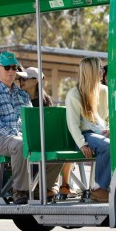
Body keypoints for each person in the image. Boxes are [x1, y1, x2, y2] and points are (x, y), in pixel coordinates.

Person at [0, 52, 62, 205]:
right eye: (7, 67)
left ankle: (40, 187)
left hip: (18, 138)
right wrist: (18, 135)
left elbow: (30, 120)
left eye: (14, 68)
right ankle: (20, 191)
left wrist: (30, 135)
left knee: (54, 144)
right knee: (20, 144)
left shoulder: (22, 95)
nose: (11, 71)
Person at [17, 67, 76, 198]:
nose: (21, 81)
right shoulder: (19, 99)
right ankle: (49, 186)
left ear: (36, 81)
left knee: (64, 146)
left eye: (25, 78)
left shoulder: (46, 100)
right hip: (26, 140)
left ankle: (59, 185)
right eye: (20, 79)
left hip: (44, 139)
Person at [65, 57, 110, 203]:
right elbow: (73, 125)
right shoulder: (74, 94)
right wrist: (82, 144)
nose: (103, 71)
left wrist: (112, 129)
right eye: (100, 69)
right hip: (85, 135)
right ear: (91, 72)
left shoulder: (104, 90)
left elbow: (111, 117)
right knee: (107, 146)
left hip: (101, 132)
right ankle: (99, 190)